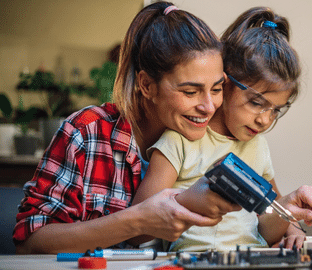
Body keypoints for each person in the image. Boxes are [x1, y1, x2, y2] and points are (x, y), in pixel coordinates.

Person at [13, 1, 241, 254]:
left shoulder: (212, 138)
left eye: (217, 89)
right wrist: (137, 220)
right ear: (146, 85)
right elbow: (29, 244)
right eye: (190, 91)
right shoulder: (87, 133)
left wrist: (290, 227)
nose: (209, 107)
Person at [132, 7, 312, 252]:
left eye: (275, 110)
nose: (265, 121)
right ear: (224, 83)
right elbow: (138, 229)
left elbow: (266, 225)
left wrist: (288, 213)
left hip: (254, 259)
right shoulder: (179, 141)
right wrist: (190, 201)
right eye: (256, 103)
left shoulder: (257, 146)